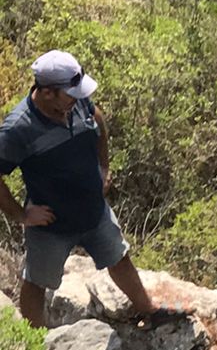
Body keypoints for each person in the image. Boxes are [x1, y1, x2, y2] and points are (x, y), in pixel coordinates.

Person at [0, 51, 172, 331]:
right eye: (69, 94)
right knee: (36, 281)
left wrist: (104, 167)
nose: (77, 99)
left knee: (119, 258)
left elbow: (98, 120)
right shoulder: (18, 130)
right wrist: (21, 215)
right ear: (46, 92)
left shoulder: (76, 102)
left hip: (94, 211)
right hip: (51, 224)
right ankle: (35, 345)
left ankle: (149, 311)